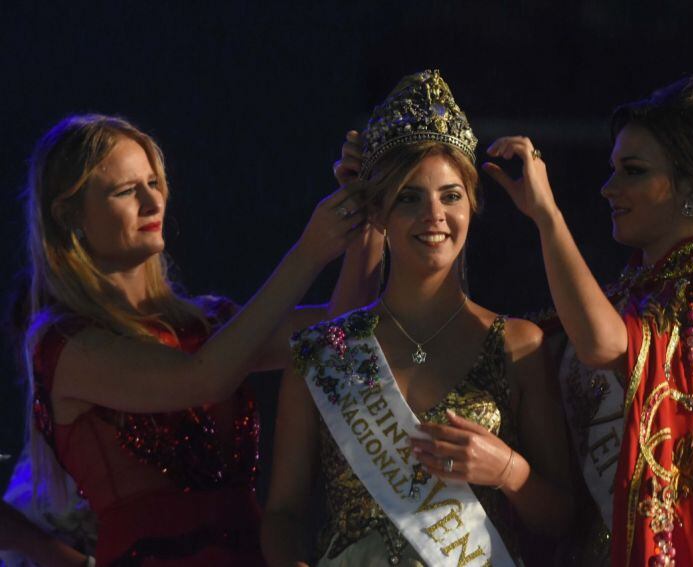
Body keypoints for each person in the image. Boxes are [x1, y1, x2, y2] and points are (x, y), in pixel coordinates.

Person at [17, 113, 371, 565]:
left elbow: (343, 330)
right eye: (126, 191)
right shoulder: (65, 343)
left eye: (153, 182)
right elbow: (204, 378)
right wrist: (309, 252)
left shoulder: (209, 324)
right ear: (70, 215)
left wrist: (368, 214)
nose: (152, 202)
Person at [262, 70, 574, 566]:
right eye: (409, 196)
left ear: (472, 205)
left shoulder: (517, 345)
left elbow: (565, 521)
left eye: (450, 195)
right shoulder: (324, 352)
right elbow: (282, 513)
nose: (434, 215)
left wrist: (509, 472)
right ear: (380, 212)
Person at [485, 77, 693, 565]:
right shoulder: (623, 297)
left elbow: (602, 343)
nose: (608, 188)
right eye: (613, 169)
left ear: (692, 186)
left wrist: (547, 216)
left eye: (633, 171)